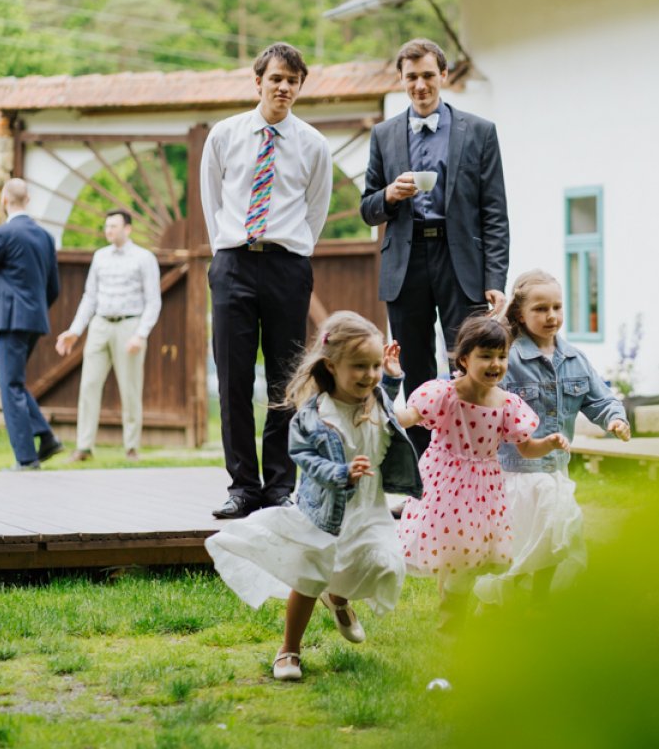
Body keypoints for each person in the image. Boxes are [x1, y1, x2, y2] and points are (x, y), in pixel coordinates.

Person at [205, 311, 422, 681]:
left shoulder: (375, 397)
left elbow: (387, 409)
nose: (369, 375)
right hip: (325, 509)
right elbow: (303, 456)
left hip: (367, 507)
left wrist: (392, 376)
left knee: (383, 564)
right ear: (331, 366)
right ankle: (288, 650)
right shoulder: (316, 415)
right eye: (359, 366)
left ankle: (337, 596)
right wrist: (340, 473)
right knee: (309, 577)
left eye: (374, 366)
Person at [201, 42, 333, 518]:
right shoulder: (224, 134)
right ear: (258, 81)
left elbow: (315, 210)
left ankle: (279, 486)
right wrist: (227, 248)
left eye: (293, 81)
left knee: (285, 379)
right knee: (233, 379)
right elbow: (212, 199)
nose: (284, 88)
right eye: (276, 78)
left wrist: (290, 248)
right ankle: (242, 486)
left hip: (286, 267)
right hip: (234, 262)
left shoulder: (313, 144)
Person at [360, 38, 510, 455]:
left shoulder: (479, 131)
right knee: (415, 369)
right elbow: (368, 209)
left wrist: (495, 278)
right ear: (401, 79)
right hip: (406, 263)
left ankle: (472, 457)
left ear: (443, 75)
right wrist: (389, 195)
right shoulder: (383, 134)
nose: (420, 85)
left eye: (428, 75)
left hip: (461, 261)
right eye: (412, 77)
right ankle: (423, 468)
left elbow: (494, 211)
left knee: (471, 362)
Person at [396, 315, 568, 632]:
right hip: (445, 480)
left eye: (502, 356)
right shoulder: (444, 394)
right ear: (464, 359)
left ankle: (452, 613)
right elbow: (407, 418)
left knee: (467, 555)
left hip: (483, 487)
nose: (495, 364)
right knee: (454, 550)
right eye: (486, 356)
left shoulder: (507, 404)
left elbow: (526, 448)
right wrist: (390, 383)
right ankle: (450, 620)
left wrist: (549, 443)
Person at [474, 270, 630, 608]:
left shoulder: (574, 359)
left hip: (555, 470)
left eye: (557, 307)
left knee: (555, 535)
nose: (551, 316)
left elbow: (599, 398)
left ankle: (539, 601)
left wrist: (615, 419)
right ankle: (501, 593)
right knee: (520, 542)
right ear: (520, 314)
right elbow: (481, 395)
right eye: (541, 309)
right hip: (515, 472)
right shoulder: (508, 358)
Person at [0, 179, 63, 470]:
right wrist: (35, 311)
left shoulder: (3, 234)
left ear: (4, 199)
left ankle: (26, 458)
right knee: (10, 380)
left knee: (10, 384)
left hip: (11, 319)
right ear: (27, 200)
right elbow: (54, 288)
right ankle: (46, 437)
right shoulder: (45, 237)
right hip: (35, 320)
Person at [54, 209, 161, 462]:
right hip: (100, 325)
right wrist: (75, 330)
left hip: (129, 325)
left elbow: (153, 301)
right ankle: (84, 447)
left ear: (128, 229)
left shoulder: (144, 258)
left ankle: (131, 447)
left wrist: (140, 334)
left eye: (114, 226)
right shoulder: (100, 257)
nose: (108, 230)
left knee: (130, 388)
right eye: (106, 226)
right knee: (89, 385)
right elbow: (89, 297)